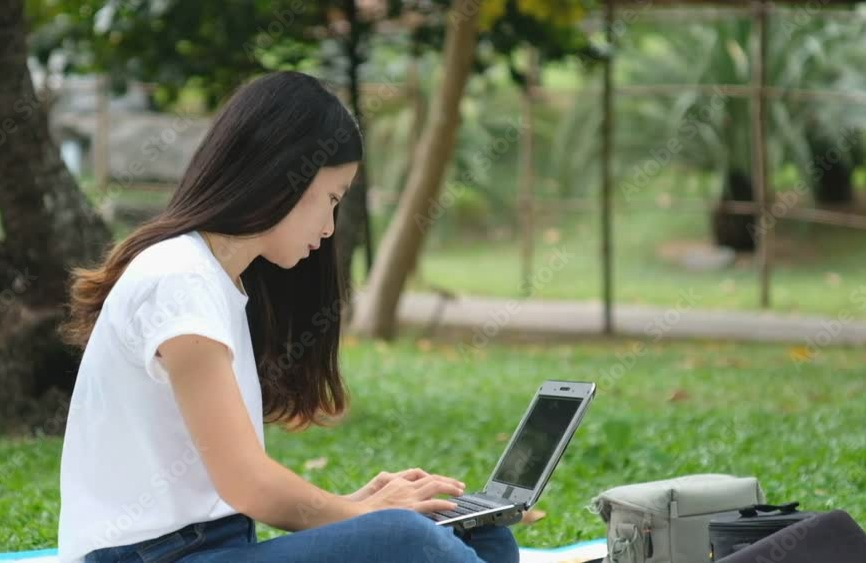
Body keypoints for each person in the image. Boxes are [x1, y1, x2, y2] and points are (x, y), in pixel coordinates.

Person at [55, 70, 520, 563]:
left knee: (476, 535)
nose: (330, 227)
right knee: (408, 538)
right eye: (333, 198)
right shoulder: (179, 278)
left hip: (214, 547)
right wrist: (364, 515)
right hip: (149, 558)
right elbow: (247, 484)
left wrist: (358, 509)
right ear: (283, 175)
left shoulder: (221, 281)